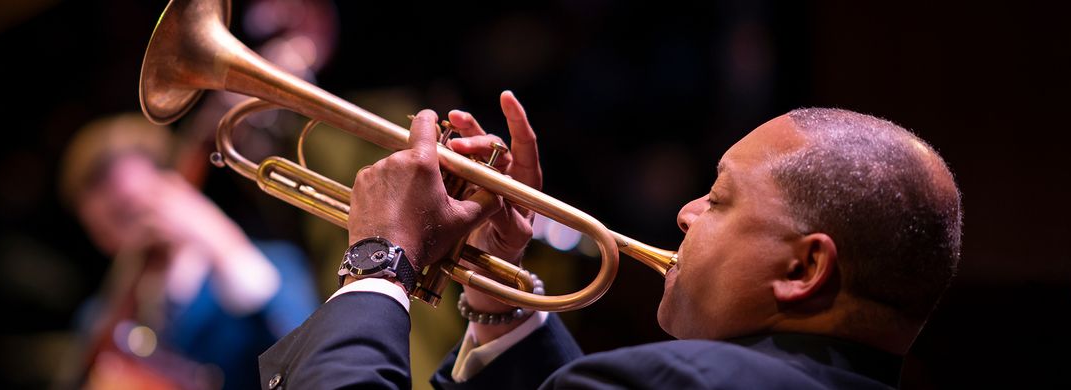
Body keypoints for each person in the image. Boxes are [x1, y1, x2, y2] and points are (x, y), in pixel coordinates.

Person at [256, 91, 963, 389]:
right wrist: (496, 287)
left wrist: (379, 259)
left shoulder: (678, 382)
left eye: (718, 199)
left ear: (805, 266)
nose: (685, 214)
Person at [57, 113, 320, 390]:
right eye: (102, 228)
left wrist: (225, 247)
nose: (119, 239)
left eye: (128, 211)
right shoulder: (100, 318)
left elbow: (309, 356)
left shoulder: (272, 264)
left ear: (174, 190)